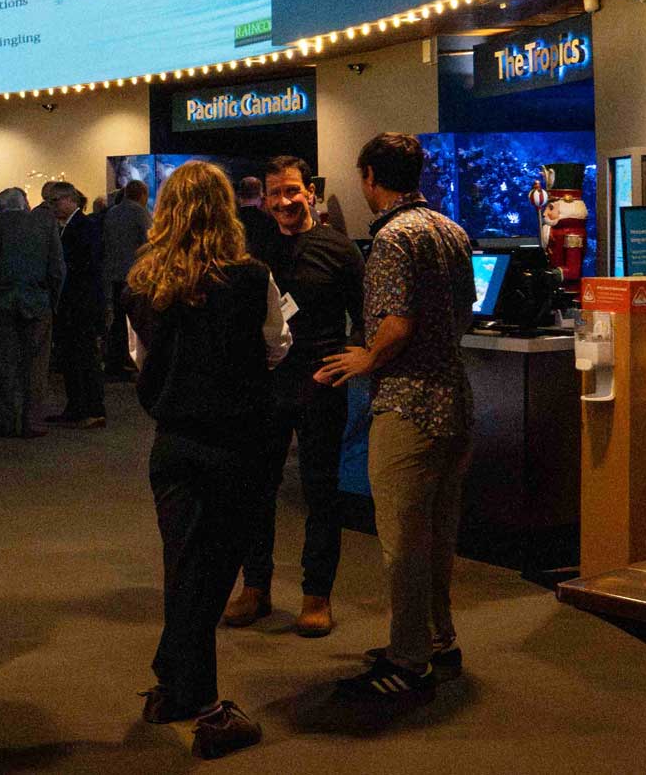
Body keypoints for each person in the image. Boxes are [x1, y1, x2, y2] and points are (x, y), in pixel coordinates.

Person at [120, 160, 289, 760]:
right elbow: (277, 346)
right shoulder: (252, 277)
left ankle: (170, 683)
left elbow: (139, 361)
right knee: (209, 576)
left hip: (173, 443)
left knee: (185, 568)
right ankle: (209, 710)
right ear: (227, 210)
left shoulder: (141, 285)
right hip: (238, 442)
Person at [317, 133, 477, 700]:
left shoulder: (391, 238)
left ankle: (409, 661)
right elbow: (464, 311)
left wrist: (367, 357)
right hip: (454, 398)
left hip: (407, 405)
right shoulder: (450, 230)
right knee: (438, 533)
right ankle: (438, 638)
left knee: (402, 541)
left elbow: (396, 324)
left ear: (368, 176)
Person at [223, 156, 363, 637]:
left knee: (320, 494)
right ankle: (255, 589)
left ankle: (316, 596)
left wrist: (349, 358)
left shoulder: (339, 249)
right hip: (264, 386)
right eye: (275, 193)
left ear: (310, 193)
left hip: (320, 384)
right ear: (263, 198)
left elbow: (364, 314)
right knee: (255, 490)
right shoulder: (252, 248)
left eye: (292, 191)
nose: (283, 202)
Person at [0, 187, 62, 438]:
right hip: (38, 302)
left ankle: (9, 421)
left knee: (3, 365)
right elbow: (57, 269)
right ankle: (32, 422)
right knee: (36, 367)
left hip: (2, 304)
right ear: (25, 204)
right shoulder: (45, 225)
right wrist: (51, 301)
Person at [44, 182, 107, 428]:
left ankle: (92, 408)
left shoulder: (84, 226)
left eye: (55, 201)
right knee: (72, 357)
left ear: (70, 199)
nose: (51, 206)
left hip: (81, 303)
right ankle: (77, 406)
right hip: (73, 303)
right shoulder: (69, 226)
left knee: (84, 357)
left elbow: (86, 264)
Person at [102, 180, 152, 377]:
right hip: (134, 274)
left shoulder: (112, 213)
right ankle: (133, 360)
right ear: (141, 195)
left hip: (113, 274)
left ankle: (116, 362)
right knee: (135, 320)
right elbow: (150, 240)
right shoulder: (140, 212)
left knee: (118, 322)